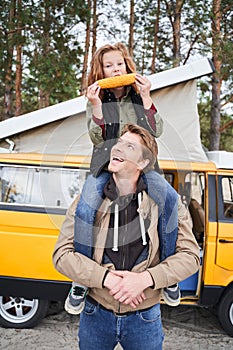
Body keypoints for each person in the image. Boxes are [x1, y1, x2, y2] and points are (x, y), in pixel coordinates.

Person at [53, 123, 200, 350]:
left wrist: (145, 280)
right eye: (118, 143)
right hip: (95, 313)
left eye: (129, 146)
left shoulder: (168, 205)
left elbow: (190, 256)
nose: (118, 149)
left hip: (145, 317)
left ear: (143, 162)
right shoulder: (88, 200)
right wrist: (107, 279)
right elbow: (61, 255)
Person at [65, 42, 180, 314]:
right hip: (106, 165)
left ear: (127, 66)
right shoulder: (96, 98)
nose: (115, 69)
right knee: (85, 207)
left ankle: (168, 272)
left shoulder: (138, 96)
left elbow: (157, 130)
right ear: (100, 70)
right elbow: (98, 137)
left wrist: (147, 96)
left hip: (142, 165)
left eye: (119, 64)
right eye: (108, 65)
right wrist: (95, 106)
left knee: (171, 201)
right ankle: (82, 279)